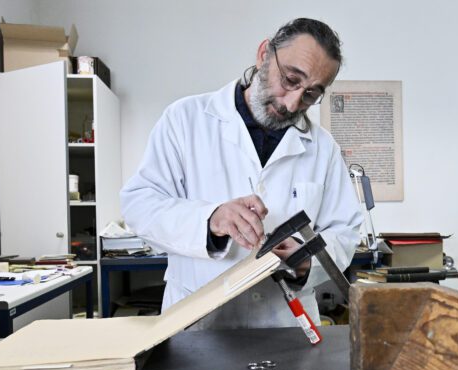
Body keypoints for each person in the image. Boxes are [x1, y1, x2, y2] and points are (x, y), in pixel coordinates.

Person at [121, 18, 363, 329]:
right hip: (198, 326)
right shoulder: (185, 120)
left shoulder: (323, 147)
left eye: (311, 94)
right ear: (264, 55)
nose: (292, 104)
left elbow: (344, 230)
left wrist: (307, 260)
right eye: (290, 79)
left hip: (285, 327)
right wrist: (211, 219)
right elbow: (139, 205)